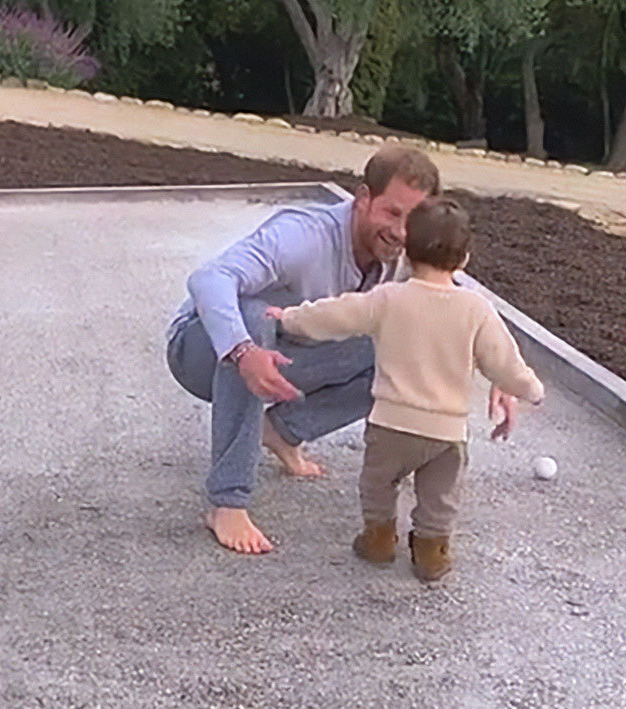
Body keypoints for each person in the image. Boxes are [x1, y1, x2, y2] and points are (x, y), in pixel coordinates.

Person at [166, 145, 518, 555]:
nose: (402, 233)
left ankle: (281, 431)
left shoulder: (410, 251)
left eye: (412, 220)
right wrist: (243, 352)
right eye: (391, 213)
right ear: (363, 198)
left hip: (290, 355)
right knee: (255, 317)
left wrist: (501, 371)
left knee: (402, 343)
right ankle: (227, 502)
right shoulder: (304, 236)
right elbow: (209, 277)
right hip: (204, 352)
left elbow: (458, 303)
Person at [269, 197, 544, 581]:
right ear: (464, 258)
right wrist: (531, 389)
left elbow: (335, 315)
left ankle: (379, 538)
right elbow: (504, 363)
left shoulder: (389, 298)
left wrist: (289, 318)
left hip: (391, 425)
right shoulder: (476, 309)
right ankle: (431, 553)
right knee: (440, 498)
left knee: (378, 484)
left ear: (407, 252)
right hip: (446, 433)